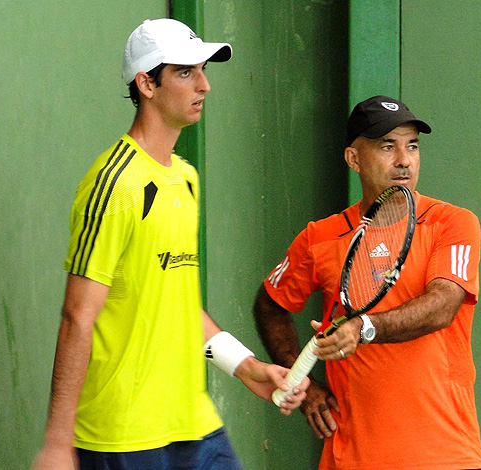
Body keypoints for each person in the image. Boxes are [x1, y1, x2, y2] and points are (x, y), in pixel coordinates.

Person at [33, 18, 308, 470]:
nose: (204, 85)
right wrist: (58, 442)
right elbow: (78, 315)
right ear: (146, 83)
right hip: (123, 436)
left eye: (203, 71)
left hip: (195, 425)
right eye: (185, 72)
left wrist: (247, 367)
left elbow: (176, 303)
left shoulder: (185, 178)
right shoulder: (114, 184)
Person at [253, 96, 481, 470]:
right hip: (352, 459)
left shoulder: (453, 223)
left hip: (446, 456)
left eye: (412, 146)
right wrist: (308, 387)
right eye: (387, 146)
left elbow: (443, 305)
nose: (404, 160)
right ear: (353, 159)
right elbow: (270, 303)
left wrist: (364, 327)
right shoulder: (320, 238)